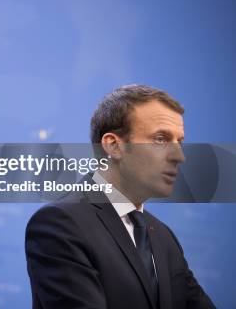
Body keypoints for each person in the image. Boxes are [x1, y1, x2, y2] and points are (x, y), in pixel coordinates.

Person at [25, 84, 215, 308]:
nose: (179, 156)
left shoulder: (164, 238)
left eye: (179, 142)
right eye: (161, 139)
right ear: (113, 146)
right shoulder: (61, 224)